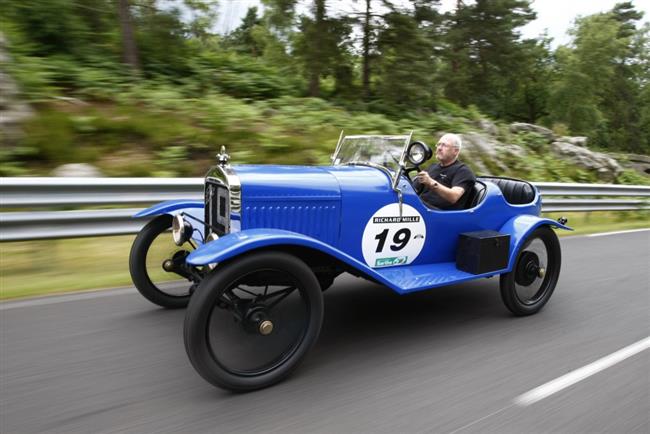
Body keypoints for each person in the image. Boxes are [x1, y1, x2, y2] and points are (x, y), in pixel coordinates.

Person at [414, 133, 476, 210]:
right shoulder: (432, 167)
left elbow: (453, 196)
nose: (439, 148)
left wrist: (430, 182)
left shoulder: (463, 171)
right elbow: (413, 189)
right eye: (439, 144)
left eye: (444, 145)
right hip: (421, 208)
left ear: (456, 151)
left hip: (440, 214)